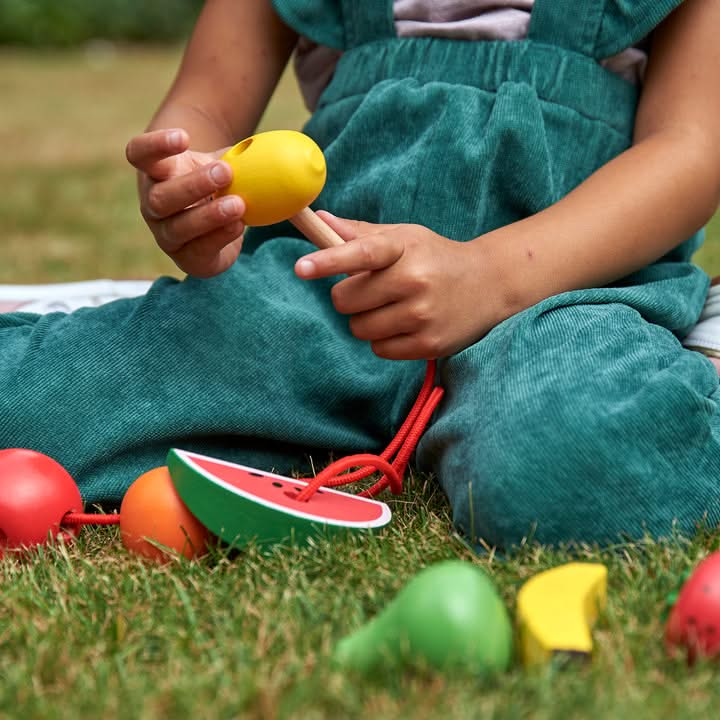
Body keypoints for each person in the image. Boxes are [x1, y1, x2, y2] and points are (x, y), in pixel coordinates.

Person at [3, 0, 720, 549]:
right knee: (31, 403)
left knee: (575, 462)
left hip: (562, 298)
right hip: (325, 292)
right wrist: (191, 184)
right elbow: (206, 106)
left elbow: (692, 145)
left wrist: (488, 275)